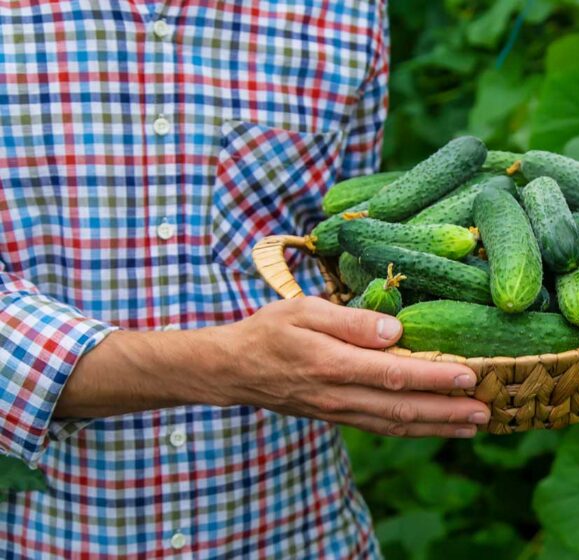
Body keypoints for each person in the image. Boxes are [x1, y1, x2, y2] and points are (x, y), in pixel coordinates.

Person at [0, 2, 490, 557]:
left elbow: (355, 253)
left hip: (301, 533)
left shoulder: (345, 13)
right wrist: (223, 367)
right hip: (48, 538)